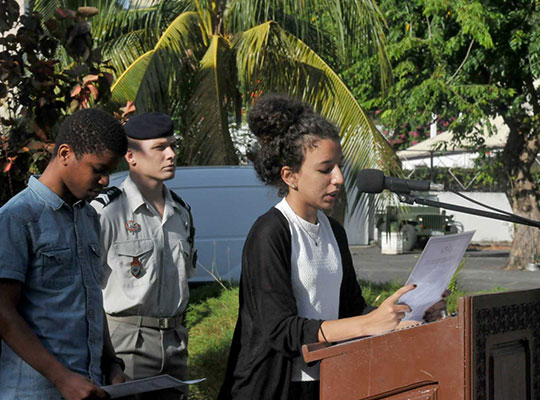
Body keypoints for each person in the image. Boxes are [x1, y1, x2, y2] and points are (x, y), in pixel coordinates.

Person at [218, 94, 448, 400]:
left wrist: (406, 313)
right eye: (325, 169)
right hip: (273, 388)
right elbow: (279, 329)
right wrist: (367, 323)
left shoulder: (334, 231)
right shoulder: (270, 232)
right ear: (291, 176)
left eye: (338, 166)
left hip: (329, 380)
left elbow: (351, 310)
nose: (338, 179)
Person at [0, 108, 129, 400]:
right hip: (34, 392)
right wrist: (62, 379)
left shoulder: (88, 217)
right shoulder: (17, 218)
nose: (106, 181)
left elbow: (90, 300)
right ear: (65, 154)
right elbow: (3, 314)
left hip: (89, 389)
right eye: (98, 169)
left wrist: (111, 364)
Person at [92, 112, 195, 400]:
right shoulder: (107, 212)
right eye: (160, 147)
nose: (171, 154)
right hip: (125, 343)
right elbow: (86, 287)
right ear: (131, 156)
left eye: (172, 145)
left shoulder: (181, 212)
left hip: (175, 343)